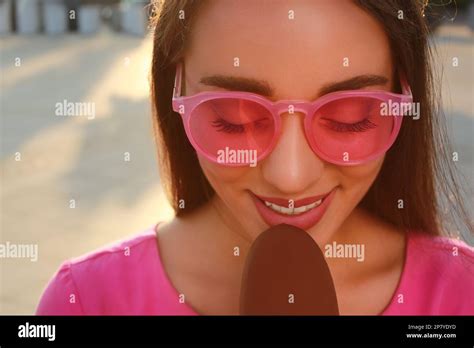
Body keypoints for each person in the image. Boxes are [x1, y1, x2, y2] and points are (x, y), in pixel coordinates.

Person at [37, 0, 474, 315]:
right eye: (234, 118)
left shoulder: (460, 294)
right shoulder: (88, 302)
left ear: (403, 95)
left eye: (349, 118)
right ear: (178, 87)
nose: (290, 177)